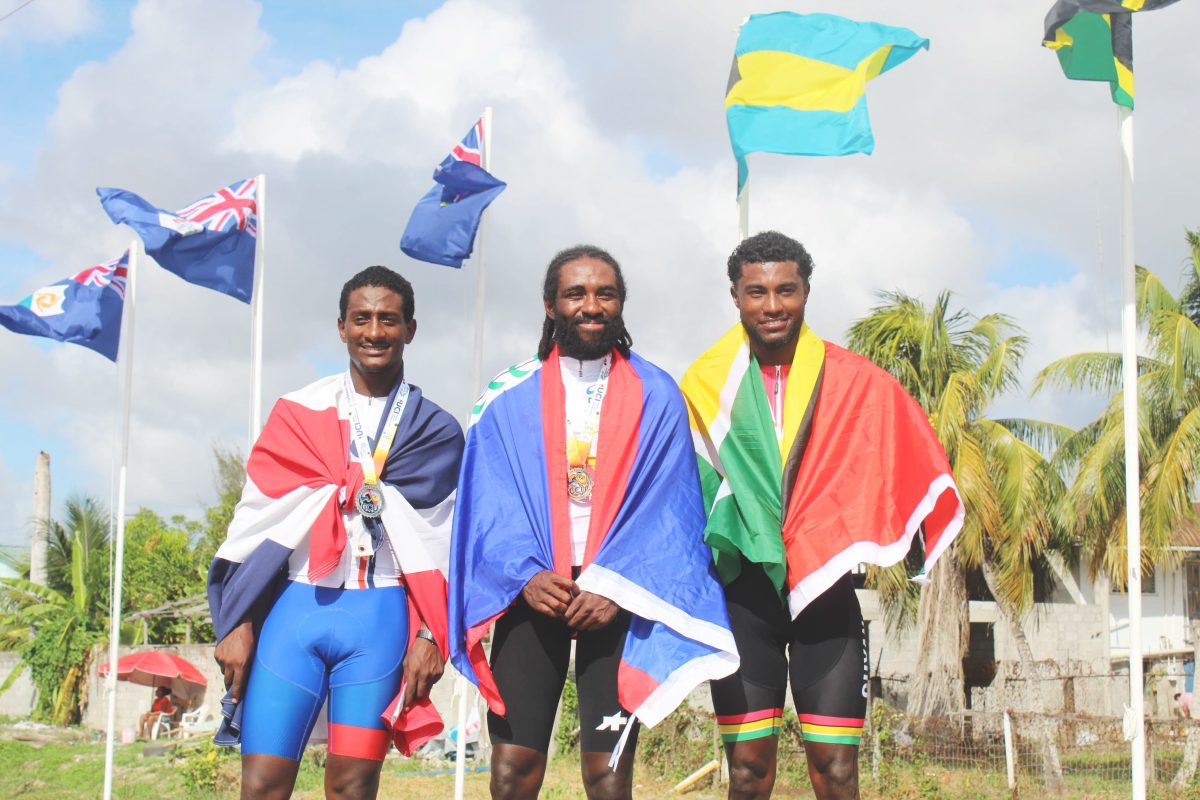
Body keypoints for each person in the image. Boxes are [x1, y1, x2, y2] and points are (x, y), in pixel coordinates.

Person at [680, 231, 964, 800]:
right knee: (748, 773)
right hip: (745, 598)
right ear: (735, 296)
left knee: (835, 773)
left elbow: (904, 457)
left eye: (786, 290)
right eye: (756, 292)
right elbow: (687, 492)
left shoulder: (856, 380)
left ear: (806, 291)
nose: (772, 305)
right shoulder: (704, 385)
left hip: (828, 599)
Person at [449, 246, 738, 800]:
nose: (591, 304)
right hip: (533, 593)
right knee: (512, 772)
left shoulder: (658, 393)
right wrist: (527, 575)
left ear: (620, 303)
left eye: (605, 293)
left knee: (607, 779)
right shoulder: (506, 394)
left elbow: (670, 509)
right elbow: (488, 503)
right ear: (550, 304)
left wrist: (614, 584)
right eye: (576, 293)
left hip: (618, 597)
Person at [207, 266, 464, 800]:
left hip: (381, 619)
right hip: (296, 610)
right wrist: (238, 619)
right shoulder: (299, 412)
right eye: (362, 319)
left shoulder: (436, 430)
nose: (375, 331)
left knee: (352, 787)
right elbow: (255, 523)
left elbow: (445, 543)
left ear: (410, 329)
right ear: (341, 327)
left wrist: (429, 636)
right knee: (261, 785)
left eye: (388, 320)